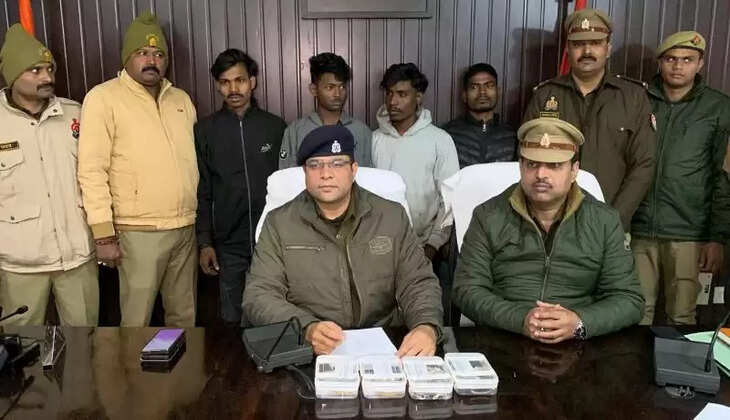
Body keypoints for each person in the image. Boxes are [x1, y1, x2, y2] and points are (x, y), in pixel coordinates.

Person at [243, 125, 443, 356]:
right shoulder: (279, 223)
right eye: (315, 165)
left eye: (337, 164)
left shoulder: (391, 216)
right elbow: (259, 294)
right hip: (311, 347)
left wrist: (426, 326)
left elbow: (417, 281)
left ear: (353, 169)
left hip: (385, 343)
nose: (326, 174)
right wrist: (306, 328)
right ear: (304, 172)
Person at [453, 117, 644, 343]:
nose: (541, 174)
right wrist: (520, 319)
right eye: (532, 164)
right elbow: (466, 290)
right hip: (504, 338)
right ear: (521, 166)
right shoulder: (488, 216)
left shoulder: (604, 220)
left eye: (554, 165)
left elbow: (629, 299)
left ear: (574, 170)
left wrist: (580, 322)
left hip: (580, 344)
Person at [78, 12, 198, 326]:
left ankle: (180, 362)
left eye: (158, 54)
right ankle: (132, 363)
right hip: (137, 232)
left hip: (185, 227)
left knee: (183, 317)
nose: (151, 61)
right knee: (136, 321)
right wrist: (103, 235)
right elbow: (91, 170)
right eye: (142, 53)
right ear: (127, 58)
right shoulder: (103, 99)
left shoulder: (180, 100)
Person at [523, 8, 656, 232]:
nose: (586, 51)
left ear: (608, 48)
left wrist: (614, 219)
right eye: (578, 44)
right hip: (549, 225)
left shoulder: (633, 98)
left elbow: (644, 165)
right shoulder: (545, 95)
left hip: (611, 223)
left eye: (595, 43)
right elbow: (527, 158)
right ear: (568, 49)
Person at [0, 24, 98, 326]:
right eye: (35, 70)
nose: (47, 77)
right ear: (13, 74)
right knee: (20, 344)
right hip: (20, 263)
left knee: (85, 339)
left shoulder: (75, 114)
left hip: (77, 256)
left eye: (49, 69)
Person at [631, 31, 730, 325]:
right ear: (660, 62)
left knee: (683, 316)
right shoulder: (638, 100)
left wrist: (716, 238)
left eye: (687, 60)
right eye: (671, 59)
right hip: (638, 228)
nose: (678, 66)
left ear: (700, 64)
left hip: (689, 232)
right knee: (635, 313)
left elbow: (723, 177)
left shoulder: (719, 108)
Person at [195, 49, 286, 325]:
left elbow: (287, 186)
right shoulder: (205, 131)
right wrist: (205, 242)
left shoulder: (275, 127)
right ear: (217, 85)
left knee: (271, 315)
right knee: (232, 318)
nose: (233, 89)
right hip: (228, 246)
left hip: (271, 243)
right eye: (225, 82)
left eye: (240, 80)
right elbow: (203, 190)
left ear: (252, 82)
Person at [371, 63, 459, 260]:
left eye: (402, 94)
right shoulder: (374, 139)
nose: (393, 101)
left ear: (418, 97)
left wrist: (433, 244)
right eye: (389, 93)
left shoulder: (440, 140)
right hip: (381, 247)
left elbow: (449, 197)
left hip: (426, 247)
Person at [278, 52, 371, 169]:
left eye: (342, 87)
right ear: (314, 90)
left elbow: (369, 176)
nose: (337, 94)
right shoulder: (295, 132)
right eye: (330, 87)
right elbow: (286, 176)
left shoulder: (362, 132)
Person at [442, 63, 517, 167]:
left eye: (489, 86)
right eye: (474, 87)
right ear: (464, 95)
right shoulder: (447, 134)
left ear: (498, 92)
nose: (482, 92)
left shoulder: (513, 136)